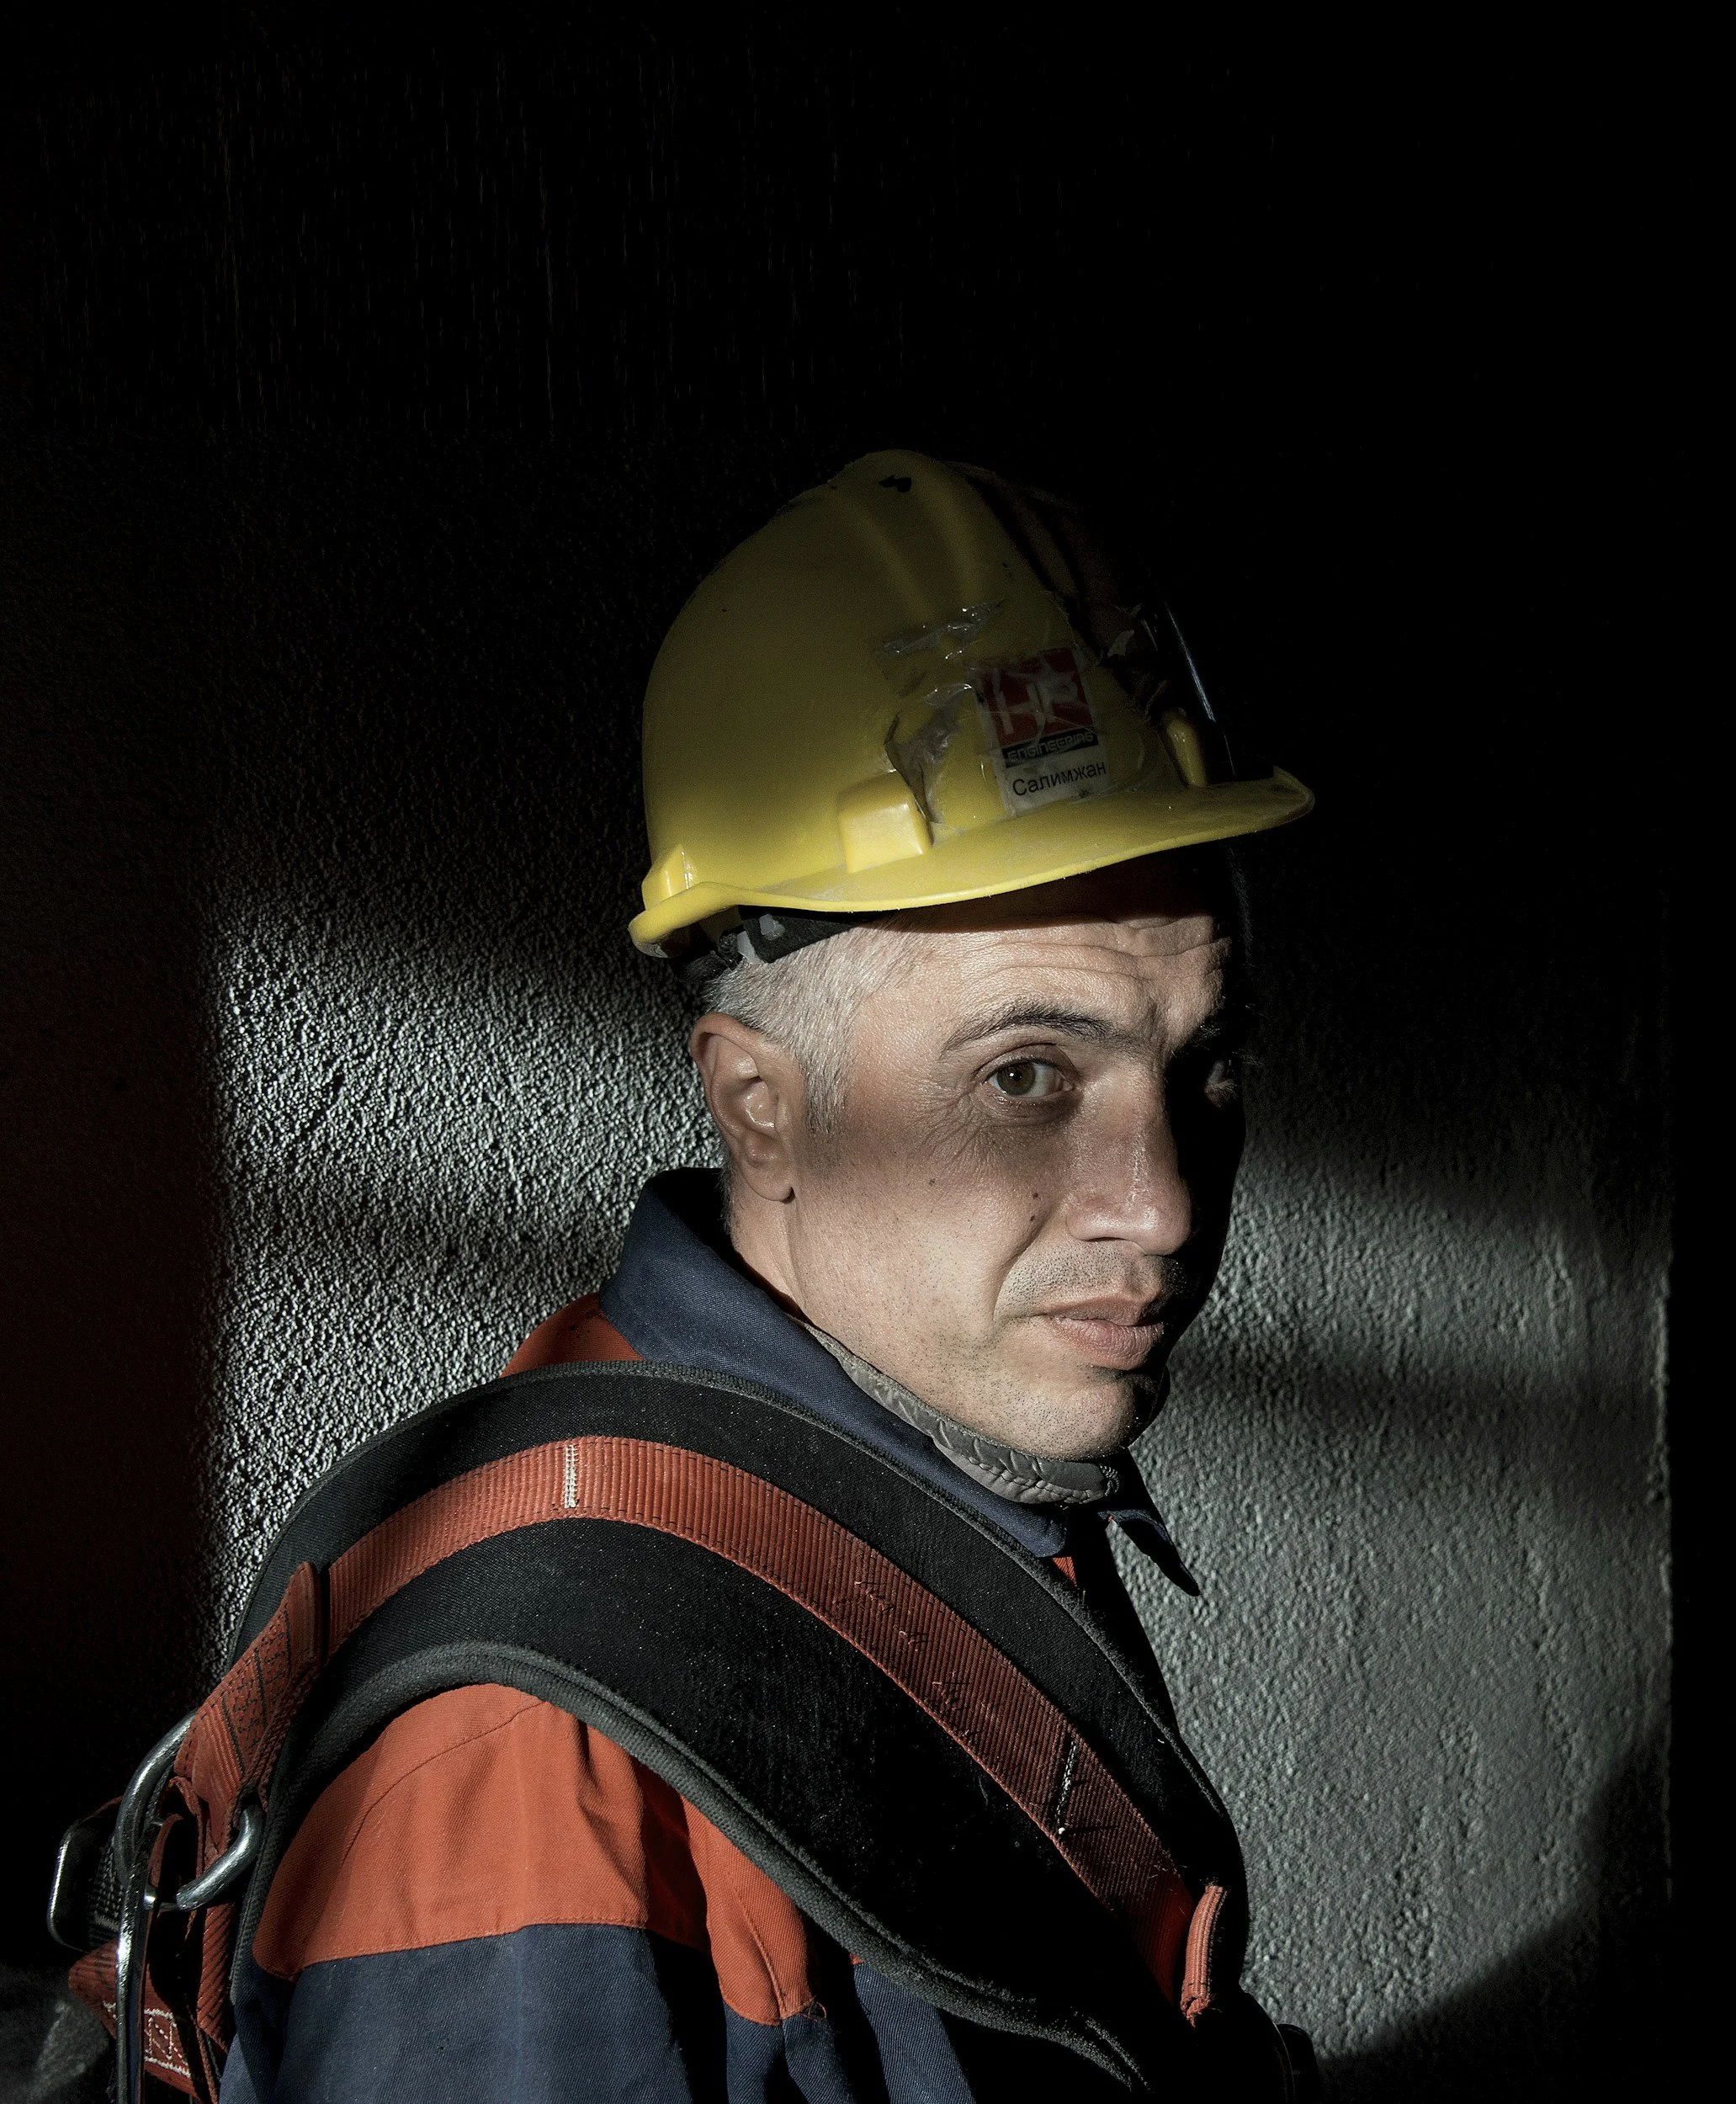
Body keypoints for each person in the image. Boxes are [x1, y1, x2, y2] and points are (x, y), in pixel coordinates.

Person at [215, 449, 1316, 2101]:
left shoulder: (937, 1477)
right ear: (757, 1098)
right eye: (1025, 1076)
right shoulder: (544, 1774)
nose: (1156, 1205)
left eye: (1203, 1064)